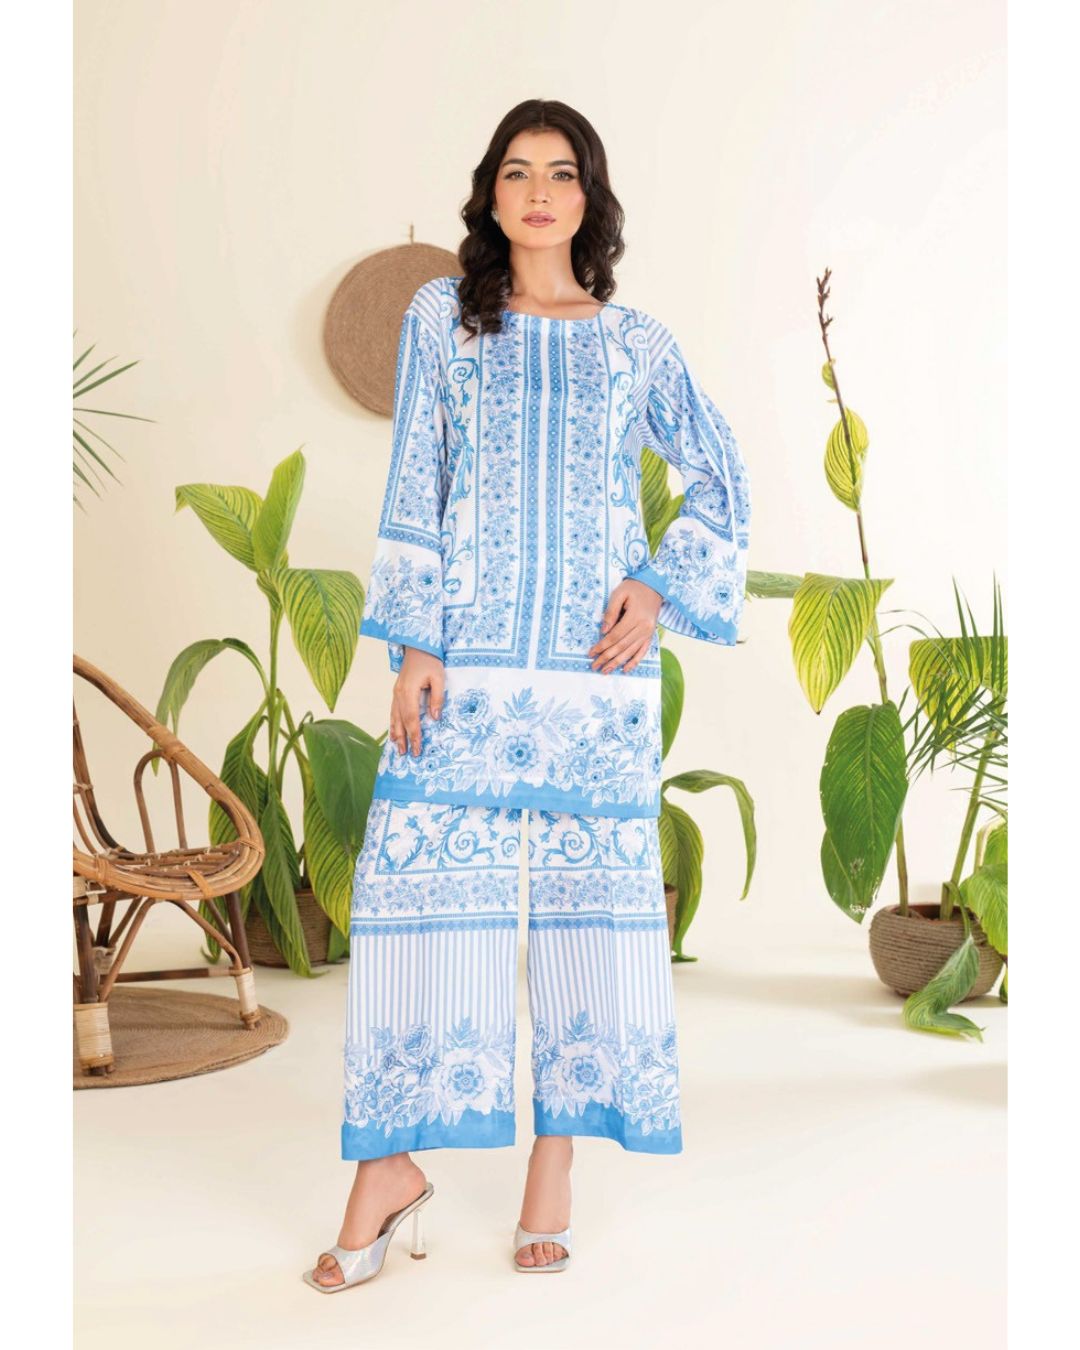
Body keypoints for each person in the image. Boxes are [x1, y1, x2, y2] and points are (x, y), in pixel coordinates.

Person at [304, 97, 751, 1291]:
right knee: (411, 896)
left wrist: (656, 585)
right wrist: (413, 642)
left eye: (561, 173)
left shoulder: (636, 344)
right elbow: (416, 475)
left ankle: (555, 1160)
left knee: (589, 911)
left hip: (596, 676)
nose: (539, 193)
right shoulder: (443, 319)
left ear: (588, 197)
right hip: (463, 660)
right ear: (491, 194)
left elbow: (718, 476)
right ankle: (387, 1168)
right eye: (517, 172)